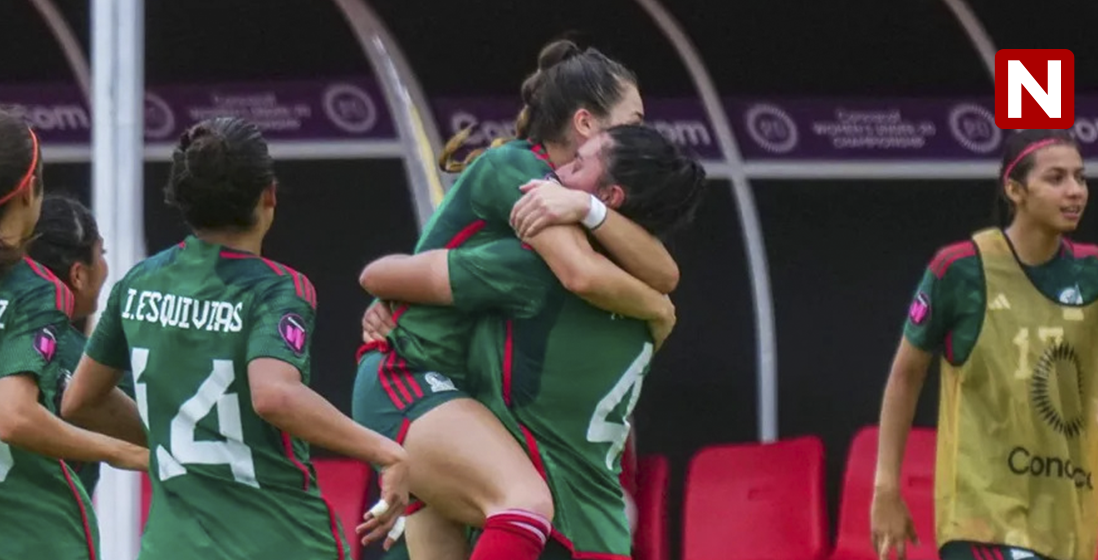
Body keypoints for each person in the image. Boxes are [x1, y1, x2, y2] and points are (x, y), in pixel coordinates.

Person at [353, 40, 680, 560]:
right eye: (633, 120)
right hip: (412, 375)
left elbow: (666, 271)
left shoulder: (575, 200)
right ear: (586, 123)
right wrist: (656, 309)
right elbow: (579, 272)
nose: (641, 132)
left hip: (457, 396)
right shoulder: (522, 170)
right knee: (525, 504)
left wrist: (593, 215)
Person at [61, 117, 410, 560]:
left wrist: (175, 440)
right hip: (278, 541)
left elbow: (80, 401)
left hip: (173, 548)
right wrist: (386, 451)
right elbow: (274, 396)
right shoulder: (275, 288)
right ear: (269, 195)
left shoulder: (138, 283)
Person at [870, 129, 1098, 560]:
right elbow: (906, 375)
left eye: (1080, 177)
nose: (1075, 191)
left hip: (1061, 523)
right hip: (981, 521)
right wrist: (886, 489)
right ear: (1015, 190)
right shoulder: (960, 270)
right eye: (1056, 178)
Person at [0, 110, 150, 560]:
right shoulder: (33, 292)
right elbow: (14, 415)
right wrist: (125, 452)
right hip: (33, 536)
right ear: (29, 191)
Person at [28, 194, 137, 496]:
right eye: (102, 253)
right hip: (51, 521)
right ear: (78, 274)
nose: (105, 267)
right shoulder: (87, 366)